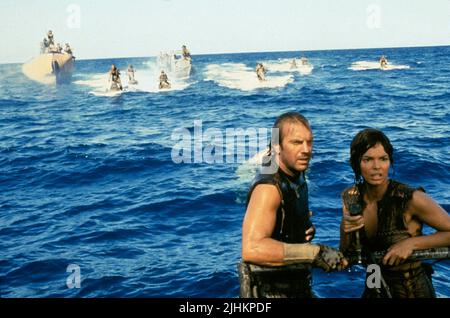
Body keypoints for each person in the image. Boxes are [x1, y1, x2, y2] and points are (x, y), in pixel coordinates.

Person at [241, 112, 348, 298]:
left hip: (298, 285)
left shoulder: (297, 173)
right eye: (296, 143)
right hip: (271, 293)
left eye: (309, 142)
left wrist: (299, 228)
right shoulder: (268, 189)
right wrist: (315, 252)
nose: (306, 149)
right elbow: (252, 248)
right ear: (277, 146)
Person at [340, 128, 450, 298]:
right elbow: (347, 254)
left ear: (390, 162)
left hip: (412, 291)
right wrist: (345, 229)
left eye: (383, 159)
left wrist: (411, 244)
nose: (376, 167)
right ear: (356, 163)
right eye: (368, 159)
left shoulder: (411, 198)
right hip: (374, 286)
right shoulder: (351, 197)